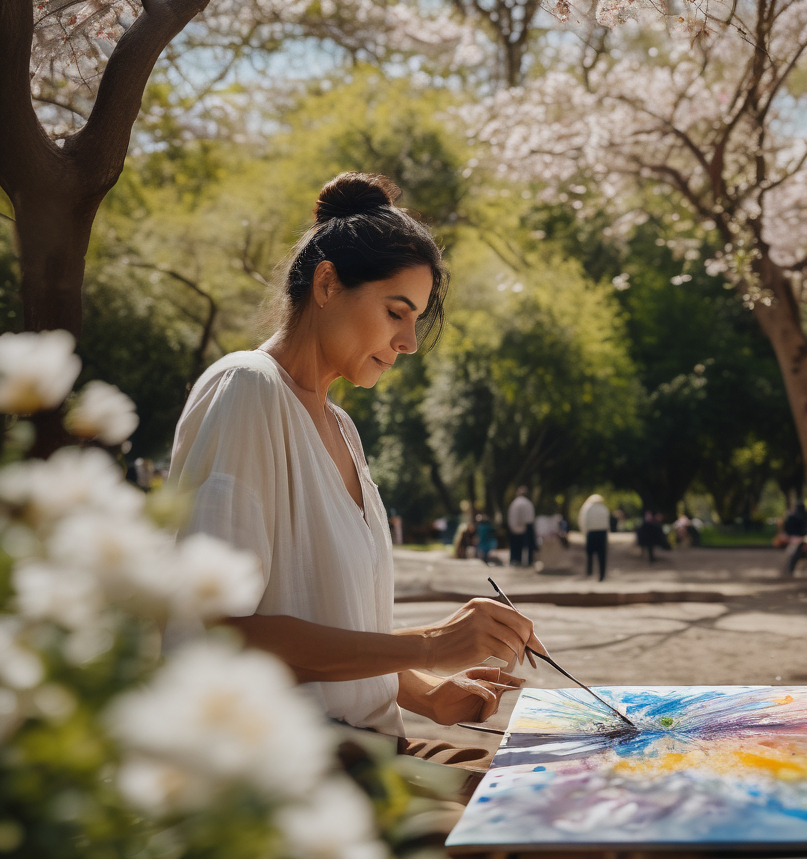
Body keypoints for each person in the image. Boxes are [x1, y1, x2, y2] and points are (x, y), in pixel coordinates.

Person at [168, 172, 545, 783]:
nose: (408, 342)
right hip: (293, 767)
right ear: (326, 283)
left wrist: (426, 692)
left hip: (373, 749)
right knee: (536, 830)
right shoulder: (247, 389)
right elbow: (224, 631)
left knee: (571, 787)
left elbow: (329, 626)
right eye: (397, 312)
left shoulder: (341, 428)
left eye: (417, 319)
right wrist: (425, 646)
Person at [579, 493, 610, 581]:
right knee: (602, 555)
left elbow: (583, 521)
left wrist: (584, 533)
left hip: (591, 533)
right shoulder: (604, 508)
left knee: (590, 554)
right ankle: (602, 575)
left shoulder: (587, 508)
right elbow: (607, 523)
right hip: (602, 533)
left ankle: (589, 572)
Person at [507, 486, 536, 567]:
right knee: (527, 546)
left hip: (517, 526)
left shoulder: (515, 503)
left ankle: (516, 560)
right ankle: (529, 561)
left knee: (516, 546)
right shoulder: (528, 503)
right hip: (525, 526)